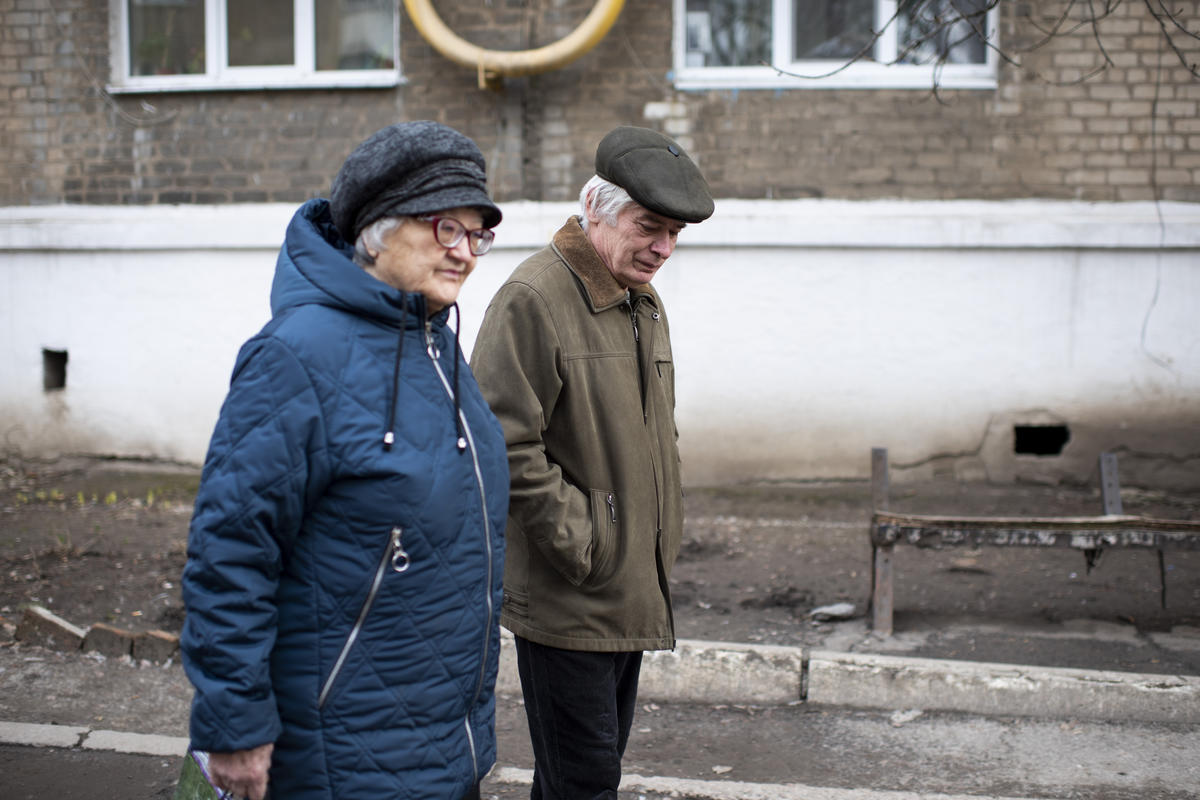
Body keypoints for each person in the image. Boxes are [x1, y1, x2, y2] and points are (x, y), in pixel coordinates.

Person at [180, 121, 509, 800]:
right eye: (447, 228)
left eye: (478, 234)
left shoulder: (435, 345)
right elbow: (230, 553)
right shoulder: (296, 355)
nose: (467, 254)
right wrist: (234, 727)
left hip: (443, 740)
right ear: (379, 230)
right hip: (340, 752)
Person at [470, 126, 714, 799]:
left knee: (577, 783)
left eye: (674, 232)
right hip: (571, 593)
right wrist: (586, 539)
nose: (663, 248)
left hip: (625, 586)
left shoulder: (642, 299)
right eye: (648, 226)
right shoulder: (535, 298)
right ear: (594, 207)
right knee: (584, 783)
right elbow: (499, 441)